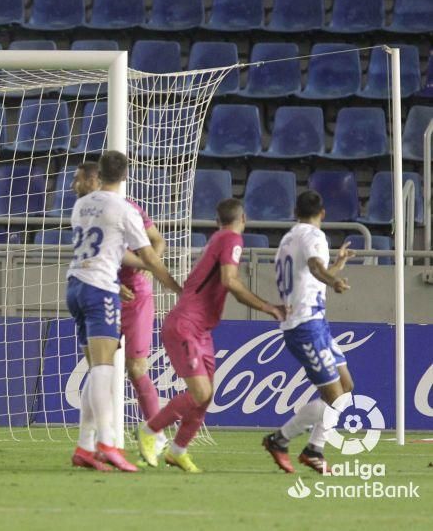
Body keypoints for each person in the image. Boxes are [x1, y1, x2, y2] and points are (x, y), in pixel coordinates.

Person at [137, 199, 285, 473]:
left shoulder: (217, 238)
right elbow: (230, 280)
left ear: (217, 221)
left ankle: (178, 451)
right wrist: (269, 307)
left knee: (205, 397)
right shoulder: (231, 239)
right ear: (244, 218)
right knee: (200, 392)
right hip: (186, 325)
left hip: (200, 329)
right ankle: (150, 430)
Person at [67, 151, 182, 472]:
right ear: (126, 175)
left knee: (103, 368)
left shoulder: (81, 206)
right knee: (105, 369)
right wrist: (178, 289)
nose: (75, 183)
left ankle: (86, 446)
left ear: (97, 175)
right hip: (102, 289)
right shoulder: (123, 209)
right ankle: (108, 444)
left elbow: (116, 250)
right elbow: (149, 257)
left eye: (79, 178)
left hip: (77, 285)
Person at [262, 190, 355, 473]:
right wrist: (334, 280)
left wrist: (336, 266)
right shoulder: (314, 236)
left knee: (346, 387)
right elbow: (315, 268)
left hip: (316, 324)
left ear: (295, 212)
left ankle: (314, 449)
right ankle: (280, 439)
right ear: (322, 213)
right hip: (305, 326)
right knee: (336, 397)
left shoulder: (288, 239)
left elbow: (310, 275)